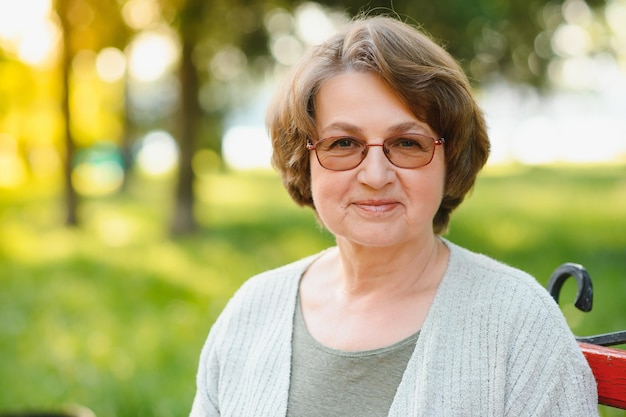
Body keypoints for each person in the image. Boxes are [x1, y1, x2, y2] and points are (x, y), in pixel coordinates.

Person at [190, 15, 598, 417]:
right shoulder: (251, 313)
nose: (375, 175)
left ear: (450, 157)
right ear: (305, 158)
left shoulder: (517, 323)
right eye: (344, 142)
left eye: (406, 142)